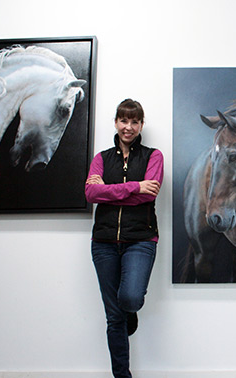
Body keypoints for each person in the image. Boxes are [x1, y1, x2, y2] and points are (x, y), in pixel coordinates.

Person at [85, 99, 163, 378]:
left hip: (140, 239)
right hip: (104, 243)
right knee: (113, 317)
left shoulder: (153, 156)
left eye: (134, 122)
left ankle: (132, 311)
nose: (128, 127)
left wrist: (110, 190)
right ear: (116, 122)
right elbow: (92, 195)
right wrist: (133, 187)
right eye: (123, 120)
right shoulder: (101, 159)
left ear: (141, 125)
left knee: (129, 298)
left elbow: (149, 195)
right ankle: (122, 376)